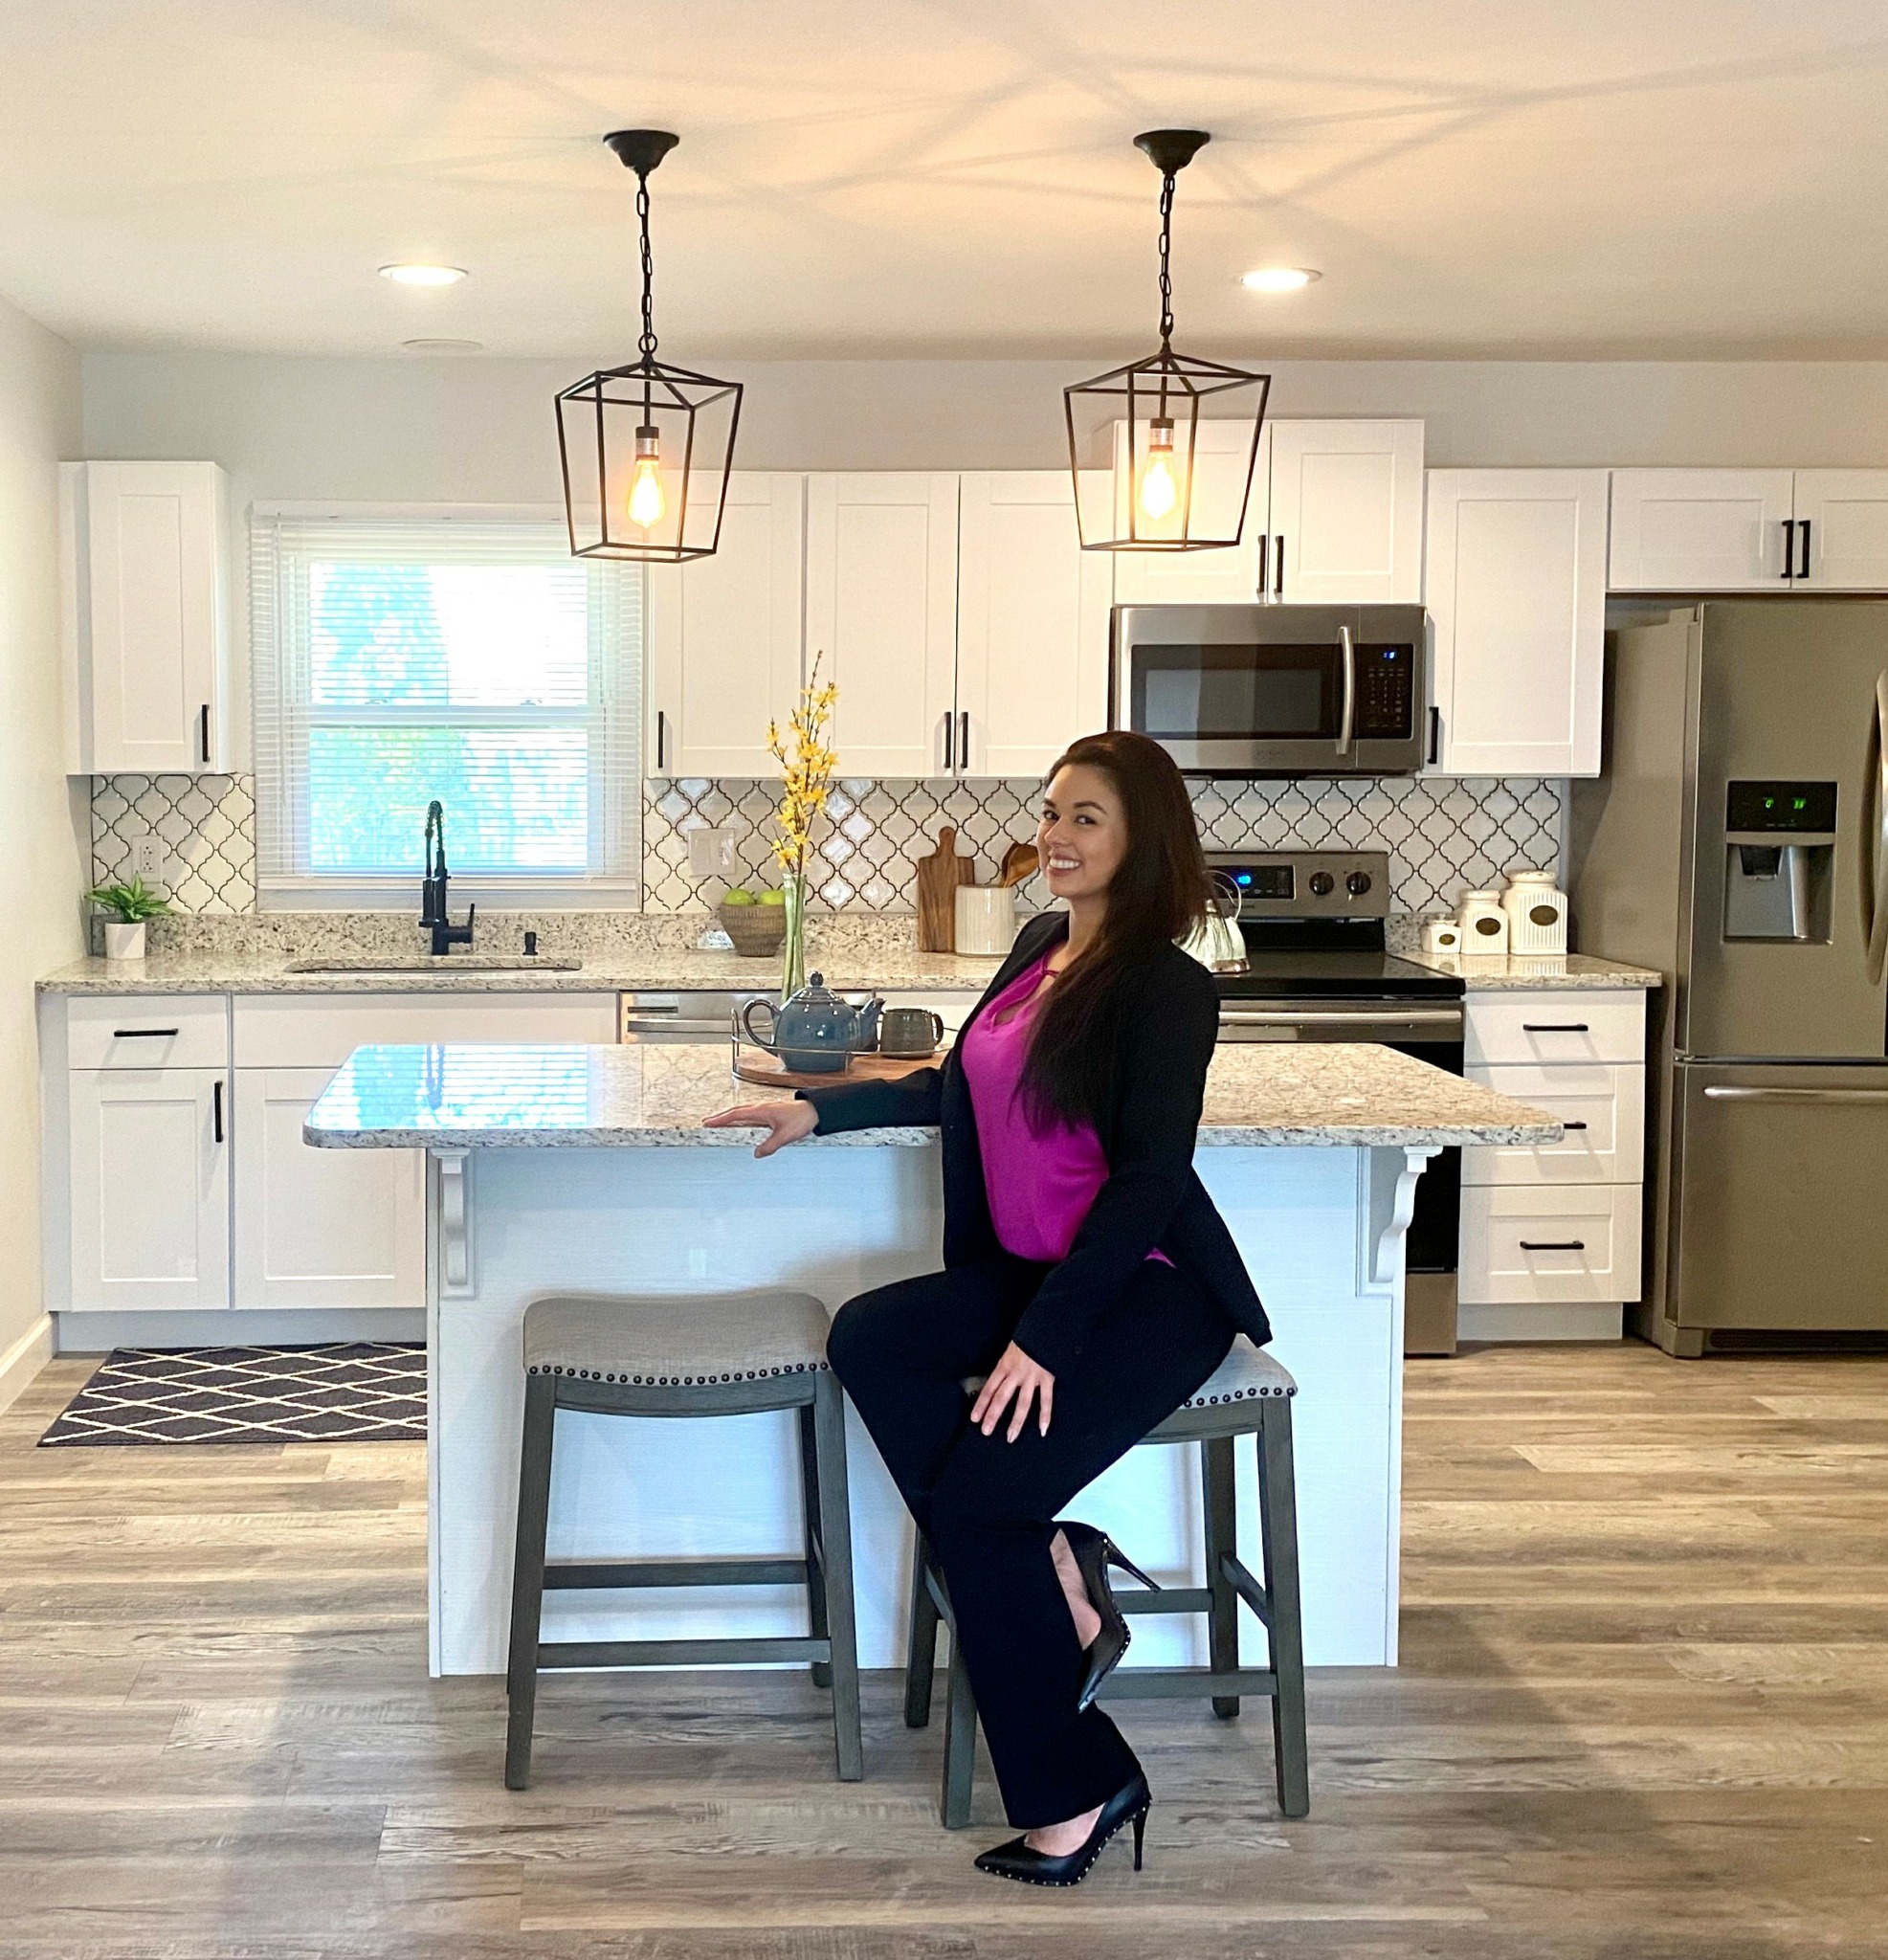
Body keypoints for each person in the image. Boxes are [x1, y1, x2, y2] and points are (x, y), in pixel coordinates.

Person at [704, 729, 1270, 1886]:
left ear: (1142, 839)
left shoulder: (1167, 986)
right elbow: (956, 1080)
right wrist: (823, 1108)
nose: (1053, 835)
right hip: (1029, 1269)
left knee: (972, 1511)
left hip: (1143, 1291)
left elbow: (1149, 1178)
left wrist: (1043, 1340)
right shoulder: (1036, 946)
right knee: (870, 1335)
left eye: (1085, 817)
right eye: (1050, 811)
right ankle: (1056, 1557)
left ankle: (1075, 1788)